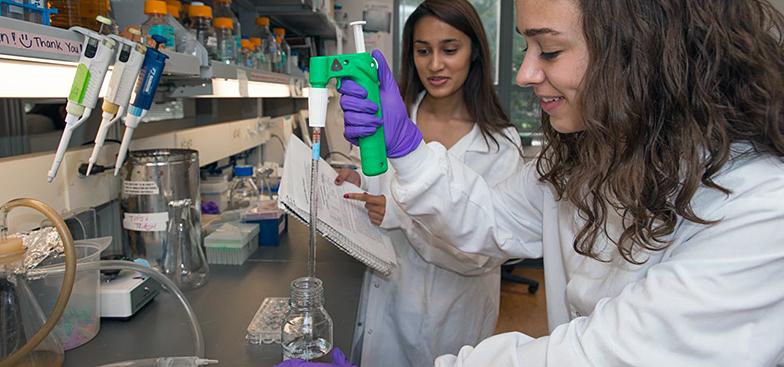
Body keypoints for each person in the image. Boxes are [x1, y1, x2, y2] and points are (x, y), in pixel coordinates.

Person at [335, 0, 784, 366]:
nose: (524, 74)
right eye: (527, 49)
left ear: (638, 50)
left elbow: (599, 356)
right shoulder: (586, 155)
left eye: (548, 51)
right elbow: (490, 218)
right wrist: (409, 149)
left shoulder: (759, 207)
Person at [334, 1, 523, 365]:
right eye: (423, 51)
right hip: (386, 303)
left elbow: (482, 254)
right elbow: (382, 188)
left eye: (449, 49)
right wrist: (360, 182)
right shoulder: (395, 118)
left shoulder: (500, 145)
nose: (435, 64)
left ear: (475, 53)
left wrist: (399, 214)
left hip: (452, 315)